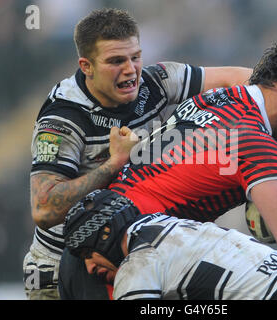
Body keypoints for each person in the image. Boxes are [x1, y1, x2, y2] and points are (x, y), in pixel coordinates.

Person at [58, 30, 277, 299]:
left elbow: (209, 153)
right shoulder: (253, 141)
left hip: (90, 246)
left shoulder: (213, 98)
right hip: (125, 255)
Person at [23, 8, 255, 300]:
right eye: (116, 61)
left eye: (135, 57)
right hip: (61, 268)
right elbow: (44, 210)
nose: (131, 70)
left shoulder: (155, 82)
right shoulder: (63, 119)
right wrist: (114, 163)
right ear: (87, 66)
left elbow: (237, 80)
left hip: (122, 257)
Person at [62, 189, 277, 300]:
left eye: (88, 253)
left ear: (106, 232)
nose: (87, 267)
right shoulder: (171, 226)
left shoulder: (138, 266)